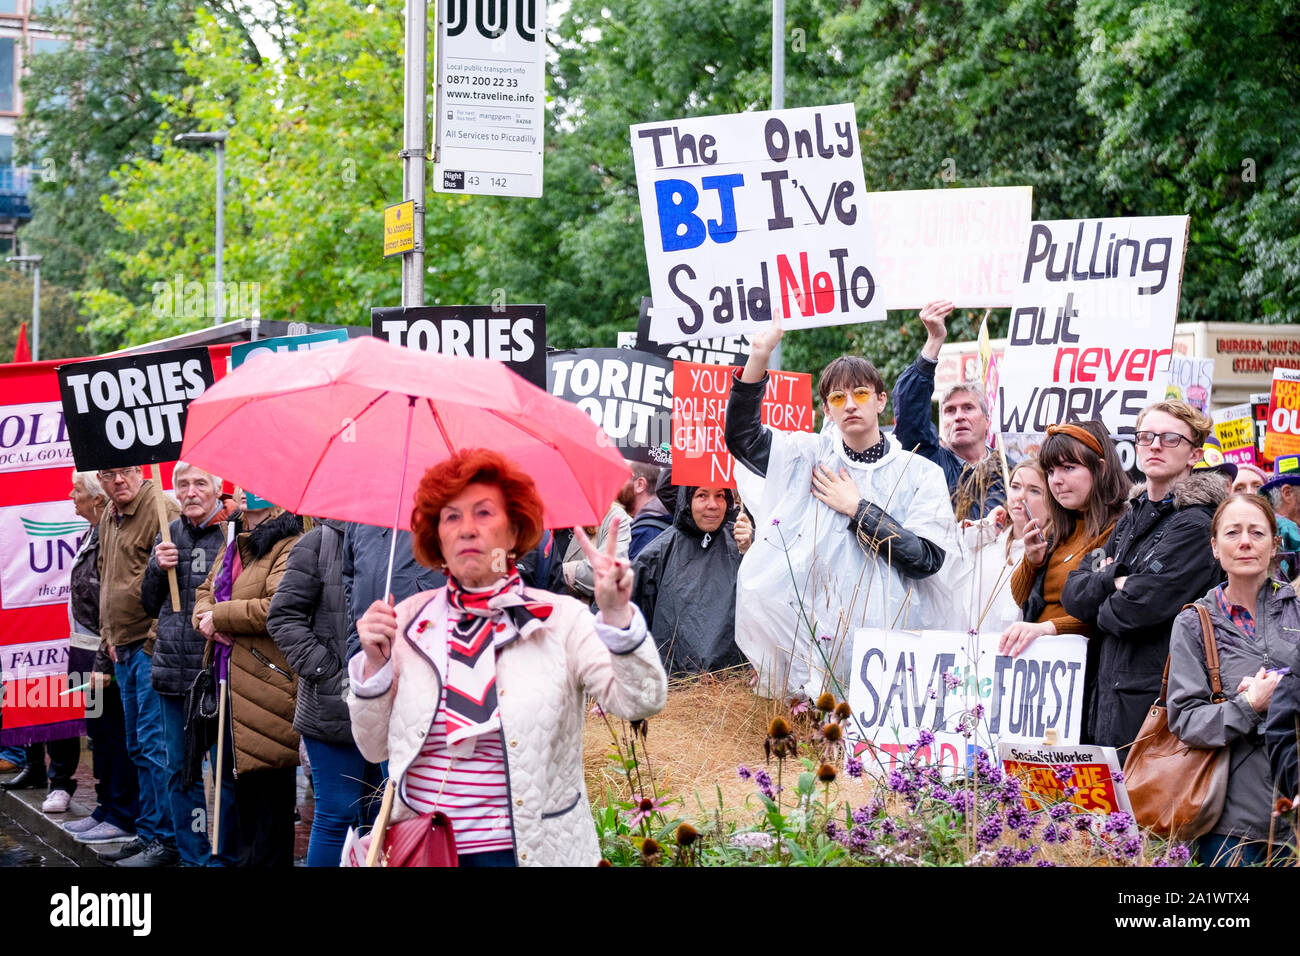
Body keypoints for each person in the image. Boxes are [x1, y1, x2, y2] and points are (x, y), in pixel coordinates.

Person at [348, 449, 668, 866]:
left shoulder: (561, 620)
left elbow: (641, 700)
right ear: (436, 538)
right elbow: (373, 749)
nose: (466, 530)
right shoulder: (406, 623)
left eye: (483, 513)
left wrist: (617, 614)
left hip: (531, 852)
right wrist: (374, 667)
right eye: (451, 517)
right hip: (425, 851)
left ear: (515, 531)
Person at [724, 315, 954, 700]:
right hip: (822, 642)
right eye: (837, 398)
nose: (850, 405)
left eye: (861, 394)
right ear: (827, 411)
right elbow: (743, 438)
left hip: (897, 645)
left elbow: (926, 558)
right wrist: (759, 358)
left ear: (881, 401)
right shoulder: (809, 459)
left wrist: (858, 510)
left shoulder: (919, 472)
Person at [1063, 400, 1227, 751]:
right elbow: (1074, 592)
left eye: (1170, 439)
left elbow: (1132, 610)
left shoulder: (1196, 525)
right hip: (1108, 697)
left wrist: (1107, 594)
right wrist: (1114, 582)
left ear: (1194, 455)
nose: (1154, 445)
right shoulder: (1130, 518)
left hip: (1155, 705)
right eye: (1146, 436)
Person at [1168, 494, 1299, 866]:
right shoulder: (1194, 623)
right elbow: (1185, 719)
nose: (1245, 542)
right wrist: (1248, 705)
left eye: (1257, 532)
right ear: (1214, 547)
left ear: (1274, 546)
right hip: (1230, 823)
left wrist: (1286, 692)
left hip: (1294, 815)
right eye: (1233, 532)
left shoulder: (1297, 611)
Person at [193, 503, 303, 867]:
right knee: (241, 799)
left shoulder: (289, 540)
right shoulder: (233, 536)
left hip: (267, 685)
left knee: (269, 804)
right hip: (229, 683)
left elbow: (277, 605)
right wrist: (206, 616)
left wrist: (220, 617)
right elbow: (205, 591)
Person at [268, 517, 381, 867]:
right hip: (332, 712)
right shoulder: (318, 543)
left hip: (388, 708)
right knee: (336, 815)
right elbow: (283, 618)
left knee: (381, 818)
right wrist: (331, 674)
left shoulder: (402, 544)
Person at [79, 466, 179, 861]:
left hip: (147, 648)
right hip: (122, 646)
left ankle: (166, 840)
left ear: (139, 471)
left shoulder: (160, 507)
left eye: (124, 472)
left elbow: (178, 584)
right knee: (137, 745)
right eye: (108, 474)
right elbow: (106, 578)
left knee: (155, 747)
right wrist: (107, 641)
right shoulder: (109, 514)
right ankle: (149, 828)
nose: (118, 480)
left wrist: (154, 639)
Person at [140, 462, 237, 867]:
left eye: (200, 483)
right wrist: (155, 569)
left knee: (228, 776)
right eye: (183, 484)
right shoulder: (168, 534)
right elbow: (148, 603)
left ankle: (225, 855)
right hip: (172, 676)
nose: (191, 491)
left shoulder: (234, 535)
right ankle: (193, 856)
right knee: (181, 774)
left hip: (218, 675)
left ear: (217, 489)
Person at [1001, 423, 1129, 660]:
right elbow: (1022, 600)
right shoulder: (1060, 528)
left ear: (1100, 469)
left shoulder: (1120, 530)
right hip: (1043, 661)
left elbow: (1103, 612)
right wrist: (1032, 562)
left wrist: (1048, 628)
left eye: (1068, 468)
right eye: (1050, 471)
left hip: (1086, 665)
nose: (1056, 481)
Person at [891, 299, 1005, 518]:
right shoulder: (931, 463)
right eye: (950, 411)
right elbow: (909, 411)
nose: (959, 417)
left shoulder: (1011, 474)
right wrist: (934, 341)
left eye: (968, 408)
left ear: (987, 420)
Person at [631, 486, 744, 675]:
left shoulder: (742, 545)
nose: (713, 505)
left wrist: (751, 551)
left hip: (735, 686)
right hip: (673, 687)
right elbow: (626, 617)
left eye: (720, 496)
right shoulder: (658, 553)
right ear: (687, 501)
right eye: (702, 495)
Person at [951, 458, 1049, 634]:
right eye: (1015, 487)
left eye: (1034, 491)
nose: (1020, 496)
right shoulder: (992, 539)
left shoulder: (1051, 550)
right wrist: (983, 530)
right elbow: (949, 560)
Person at [342, 524, 444, 661]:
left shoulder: (435, 514)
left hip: (421, 652)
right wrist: (357, 638)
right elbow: (351, 580)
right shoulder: (357, 516)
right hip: (366, 651)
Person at [559, 499, 630, 601]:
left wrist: (557, 571)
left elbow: (606, 572)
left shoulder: (612, 516)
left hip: (584, 612)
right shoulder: (540, 518)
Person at [622, 461, 672, 560]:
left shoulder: (645, 531)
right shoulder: (660, 519)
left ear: (640, 484)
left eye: (623, 480)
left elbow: (635, 574)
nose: (619, 487)